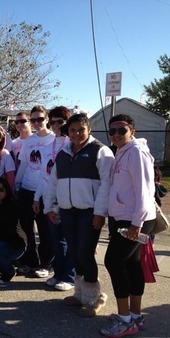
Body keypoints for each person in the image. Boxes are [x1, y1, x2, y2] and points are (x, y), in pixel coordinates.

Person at [44, 113, 114, 318]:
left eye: (81, 130)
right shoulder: (64, 153)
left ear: (89, 130)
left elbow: (106, 185)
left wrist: (100, 212)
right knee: (74, 254)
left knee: (85, 253)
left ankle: (94, 299)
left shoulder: (101, 151)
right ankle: (80, 295)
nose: (76, 134)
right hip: (67, 211)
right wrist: (49, 206)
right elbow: (53, 182)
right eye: (72, 130)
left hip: (89, 212)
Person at [100, 114, 156, 337]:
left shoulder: (136, 152)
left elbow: (145, 191)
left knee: (113, 261)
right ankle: (135, 315)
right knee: (131, 264)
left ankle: (125, 321)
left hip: (134, 219)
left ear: (132, 130)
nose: (115, 135)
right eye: (111, 131)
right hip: (124, 218)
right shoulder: (122, 152)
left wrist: (136, 223)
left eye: (121, 130)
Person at [34, 106, 74, 291]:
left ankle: (68, 276)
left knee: (68, 239)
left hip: (68, 199)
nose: (56, 125)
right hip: (50, 199)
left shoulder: (72, 143)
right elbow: (43, 175)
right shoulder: (48, 145)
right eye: (53, 121)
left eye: (61, 121)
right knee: (56, 240)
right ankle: (57, 273)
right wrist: (37, 197)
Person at [14, 105, 55, 277]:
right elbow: (24, 164)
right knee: (26, 229)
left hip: (45, 192)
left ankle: (46, 264)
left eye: (40, 119)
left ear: (47, 119)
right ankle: (29, 260)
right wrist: (16, 185)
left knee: (45, 229)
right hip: (27, 189)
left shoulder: (56, 139)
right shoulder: (29, 141)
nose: (37, 123)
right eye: (34, 120)